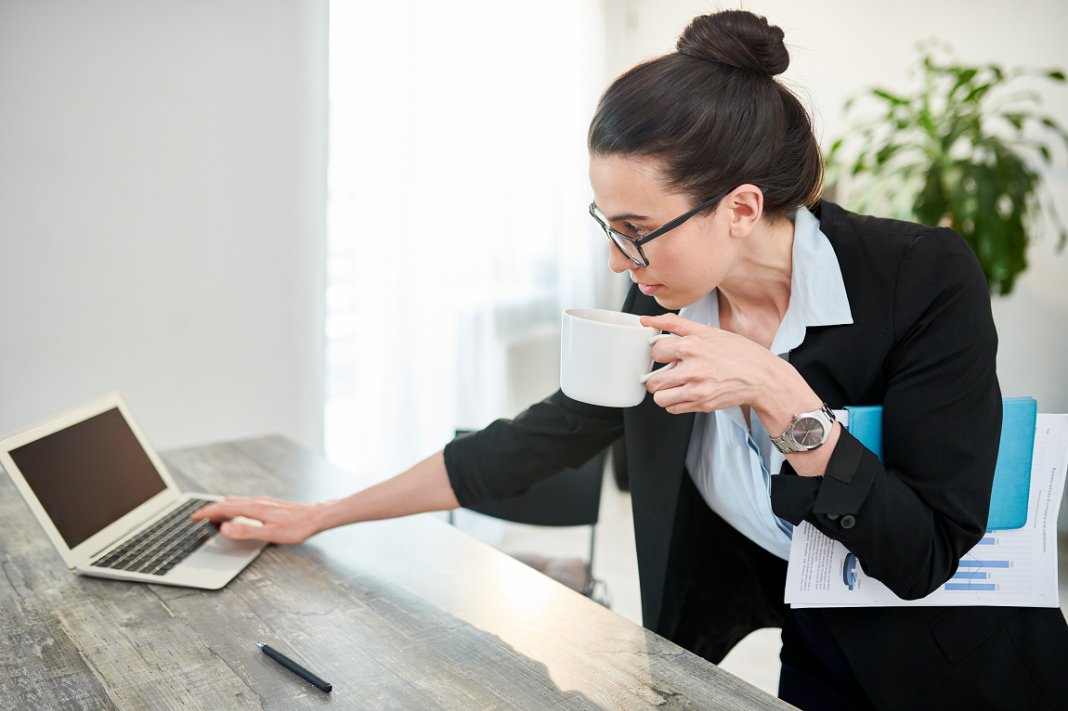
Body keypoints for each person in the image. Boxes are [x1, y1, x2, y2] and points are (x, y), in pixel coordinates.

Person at [193, 10, 1068, 710]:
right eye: (607, 226)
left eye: (638, 232)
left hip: (961, 657)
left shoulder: (919, 278)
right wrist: (324, 514)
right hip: (817, 644)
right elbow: (537, 438)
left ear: (741, 206)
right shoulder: (664, 292)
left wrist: (774, 389)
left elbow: (922, 555)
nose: (620, 261)